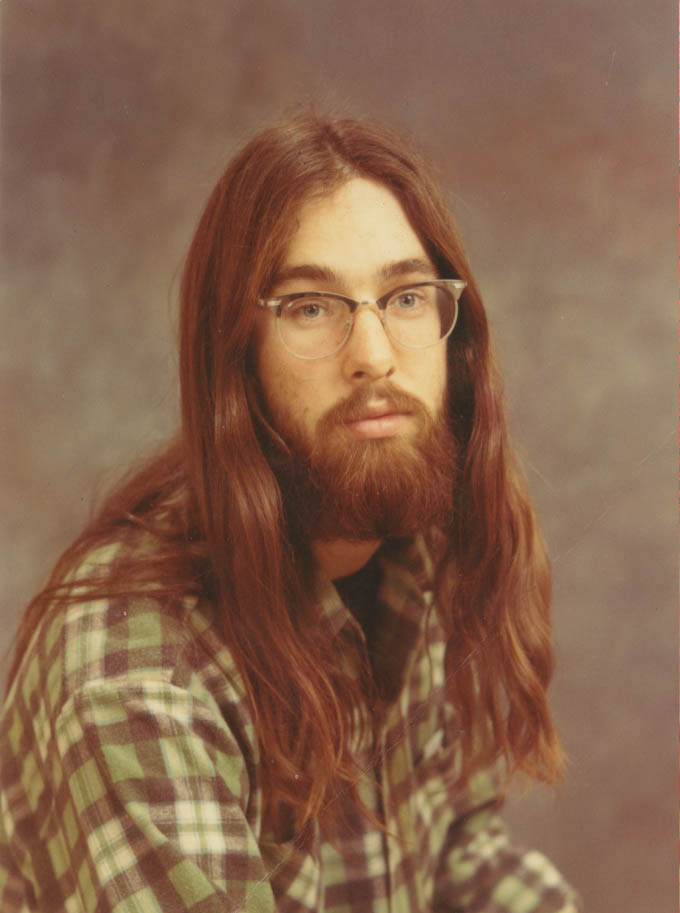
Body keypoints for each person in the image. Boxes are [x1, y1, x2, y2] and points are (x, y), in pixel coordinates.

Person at [0, 115, 581, 912]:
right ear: (237, 360)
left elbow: (457, 861)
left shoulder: (424, 550)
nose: (373, 353)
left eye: (406, 297)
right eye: (312, 308)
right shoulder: (131, 672)